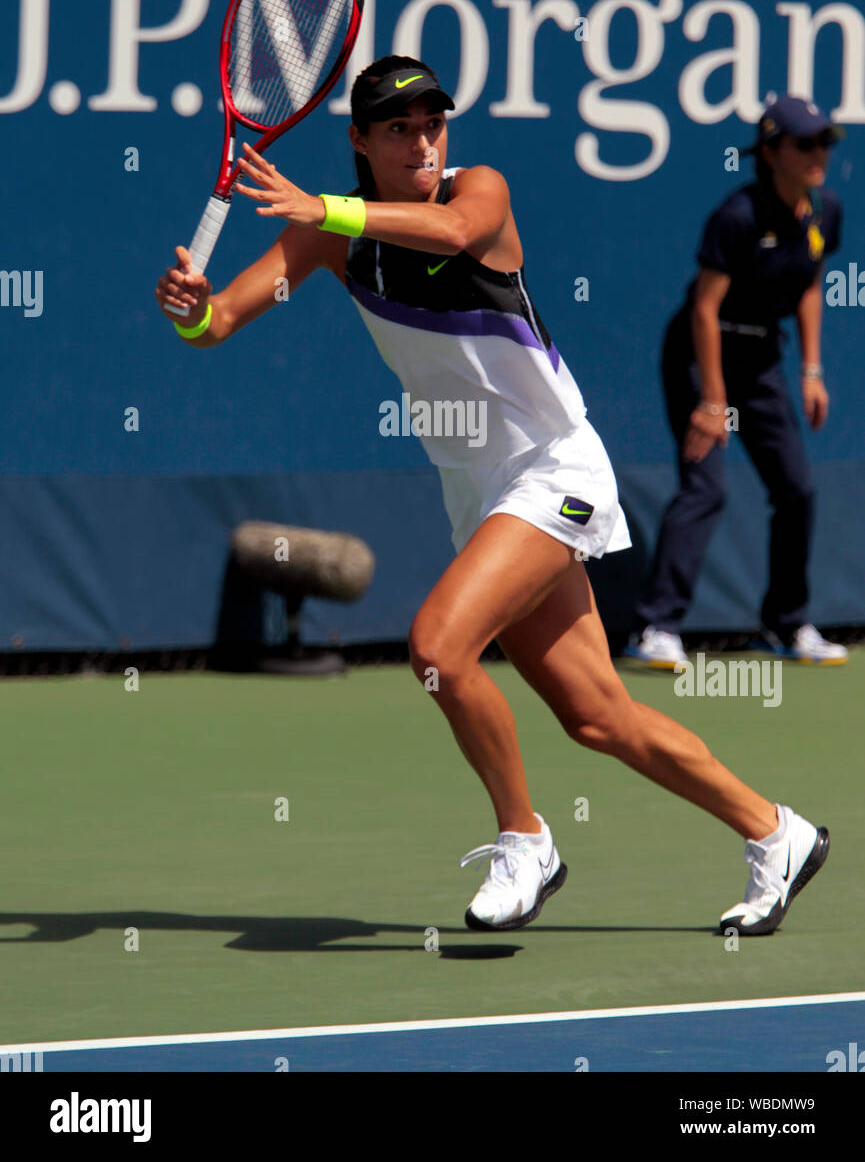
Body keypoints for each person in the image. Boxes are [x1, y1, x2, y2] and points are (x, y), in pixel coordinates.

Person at [155, 58, 829, 936]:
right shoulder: (327, 239)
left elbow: (453, 233)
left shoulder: (479, 191)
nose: (423, 140)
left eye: (433, 122)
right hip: (479, 493)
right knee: (598, 716)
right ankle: (774, 831)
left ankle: (524, 839)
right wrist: (189, 308)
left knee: (438, 644)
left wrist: (327, 207)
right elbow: (219, 325)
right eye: (398, 128)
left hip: (555, 471)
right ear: (359, 141)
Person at [627, 96, 848, 669]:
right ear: (772, 152)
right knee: (707, 488)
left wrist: (812, 370)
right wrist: (713, 401)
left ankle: (785, 624)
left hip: (761, 361)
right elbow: (704, 309)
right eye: (805, 143)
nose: (819, 153)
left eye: (824, 141)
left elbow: (807, 287)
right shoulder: (738, 216)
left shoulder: (826, 211)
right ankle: (656, 627)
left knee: (797, 490)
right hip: (702, 357)